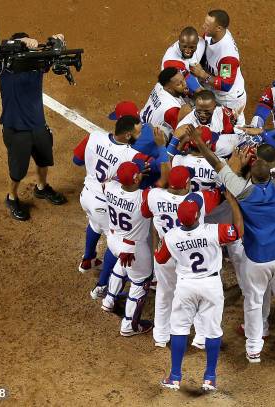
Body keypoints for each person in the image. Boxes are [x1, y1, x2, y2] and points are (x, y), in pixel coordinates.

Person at [190, 103, 275, 362]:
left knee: (253, 302)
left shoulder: (242, 190)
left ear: (251, 174)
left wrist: (199, 141)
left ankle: (254, 348)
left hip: (256, 259)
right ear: (272, 175)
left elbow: (216, 163)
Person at [157, 191, 243, 392]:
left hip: (186, 285)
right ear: (197, 215)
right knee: (212, 330)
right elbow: (238, 231)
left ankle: (175, 377)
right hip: (211, 286)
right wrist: (233, 202)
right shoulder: (213, 230)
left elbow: (160, 259)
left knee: (178, 329)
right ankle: (210, 378)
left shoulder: (171, 237)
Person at [141, 166, 222, 348]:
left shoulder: (153, 195)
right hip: (187, 254)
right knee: (199, 294)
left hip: (165, 251)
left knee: (164, 293)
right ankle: (201, 337)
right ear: (188, 183)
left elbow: (146, 213)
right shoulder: (198, 200)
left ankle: (161, 336)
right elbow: (220, 192)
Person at [72, 110, 160, 274]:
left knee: (94, 224)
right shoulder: (131, 155)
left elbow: (76, 160)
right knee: (116, 243)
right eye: (138, 132)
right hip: (105, 202)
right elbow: (155, 166)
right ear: (127, 135)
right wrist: (160, 147)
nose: (140, 135)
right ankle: (103, 284)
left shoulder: (95, 136)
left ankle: (88, 259)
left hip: (86, 195)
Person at [0, 32, 67, 221]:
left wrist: (58, 40)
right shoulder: (6, 66)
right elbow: (3, 47)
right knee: (17, 171)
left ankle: (41, 187)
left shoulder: (38, 65)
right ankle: (12, 197)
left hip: (38, 124)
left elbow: (55, 54)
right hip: (16, 129)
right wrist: (21, 42)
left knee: (43, 160)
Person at [100, 162, 154, 336]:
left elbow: (108, 180)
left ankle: (109, 299)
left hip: (114, 240)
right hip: (133, 249)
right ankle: (129, 325)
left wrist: (131, 176)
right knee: (141, 282)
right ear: (136, 178)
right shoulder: (144, 197)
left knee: (122, 267)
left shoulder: (109, 188)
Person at [190, 9, 247, 125]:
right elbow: (205, 51)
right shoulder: (210, 35)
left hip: (229, 99)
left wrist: (203, 74)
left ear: (219, 28)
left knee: (231, 129)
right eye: (205, 22)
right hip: (214, 88)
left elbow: (225, 85)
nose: (203, 26)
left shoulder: (227, 56)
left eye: (207, 25)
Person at [172, 90, 242, 157]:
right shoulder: (186, 125)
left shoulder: (223, 113)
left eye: (206, 111)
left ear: (214, 107)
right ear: (195, 106)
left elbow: (235, 132)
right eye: (199, 111)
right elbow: (181, 153)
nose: (202, 114)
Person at [140, 68, 191, 138]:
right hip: (151, 137)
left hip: (141, 123)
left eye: (184, 80)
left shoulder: (160, 84)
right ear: (169, 88)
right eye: (179, 84)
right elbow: (177, 134)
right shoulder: (172, 109)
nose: (185, 85)